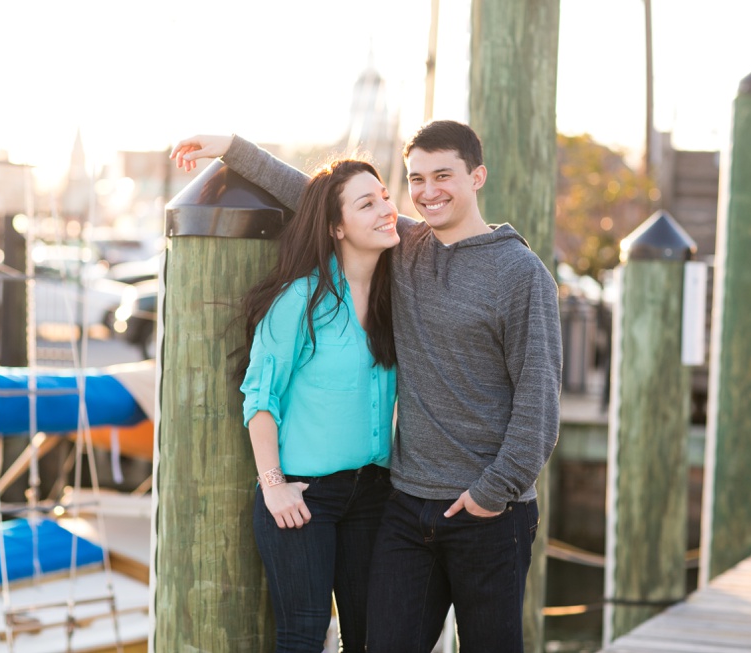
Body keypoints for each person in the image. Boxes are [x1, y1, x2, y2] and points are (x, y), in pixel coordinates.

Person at [171, 120, 562, 653]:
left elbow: (539, 404)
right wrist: (233, 149)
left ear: (478, 176)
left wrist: (491, 495)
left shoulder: (520, 273)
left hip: (486, 513)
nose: (427, 192)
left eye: (443, 175)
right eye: (416, 179)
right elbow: (318, 198)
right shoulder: (406, 247)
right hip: (404, 506)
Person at [233, 157, 399, 652]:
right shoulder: (300, 301)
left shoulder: (395, 295)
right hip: (304, 500)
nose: (386, 209)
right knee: (304, 637)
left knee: (369, 637)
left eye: (386, 196)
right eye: (366, 203)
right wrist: (274, 487)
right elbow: (259, 397)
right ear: (336, 227)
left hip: (373, 491)